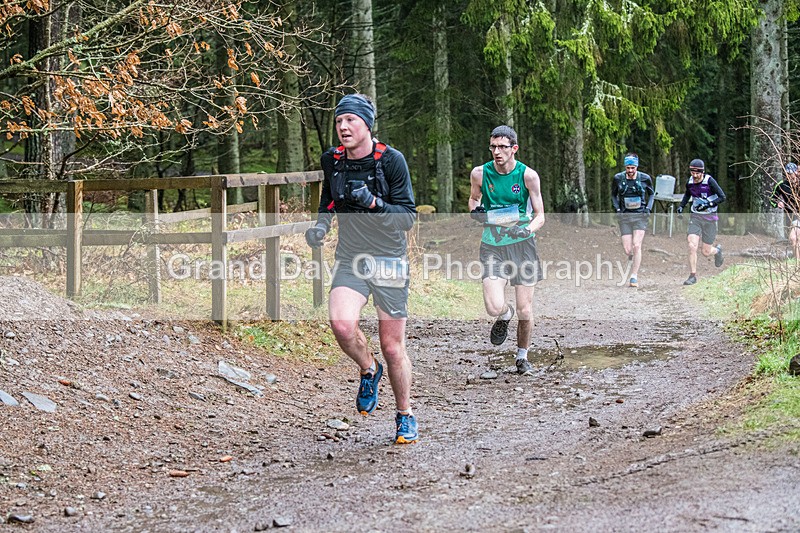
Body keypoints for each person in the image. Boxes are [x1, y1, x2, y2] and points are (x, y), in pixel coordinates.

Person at [304, 94, 418, 444]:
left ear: (367, 125)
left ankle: (405, 414)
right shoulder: (332, 160)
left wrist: (374, 202)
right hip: (351, 257)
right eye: (339, 121)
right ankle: (369, 369)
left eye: (350, 121)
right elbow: (329, 199)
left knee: (393, 346)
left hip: (388, 260)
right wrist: (321, 227)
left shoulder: (391, 161)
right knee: (340, 324)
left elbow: (408, 218)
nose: (343, 127)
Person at [468, 125, 546, 376]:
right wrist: (476, 211)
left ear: (514, 148)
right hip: (493, 244)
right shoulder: (480, 173)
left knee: (525, 308)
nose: (497, 152)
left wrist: (528, 230)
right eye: (493, 147)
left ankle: (522, 357)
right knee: (493, 306)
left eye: (502, 147)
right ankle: (504, 314)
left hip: (522, 245)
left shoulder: (528, 176)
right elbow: (473, 200)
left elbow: (540, 215)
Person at [676, 158, 725, 285]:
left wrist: (709, 204)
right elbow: (688, 194)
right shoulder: (690, 181)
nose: (695, 175)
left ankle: (718, 251)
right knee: (692, 245)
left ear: (702, 172)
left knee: (706, 252)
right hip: (696, 217)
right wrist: (682, 206)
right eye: (693, 172)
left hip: (710, 219)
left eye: (698, 173)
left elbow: (722, 197)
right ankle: (692, 276)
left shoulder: (709, 181)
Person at [610, 152, 655, 287]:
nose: (630, 171)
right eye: (628, 168)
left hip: (640, 216)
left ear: (637, 167)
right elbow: (613, 195)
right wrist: (617, 208)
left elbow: (652, 194)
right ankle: (633, 258)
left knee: (637, 245)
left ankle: (634, 276)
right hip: (624, 217)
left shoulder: (645, 178)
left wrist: (648, 208)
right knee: (628, 249)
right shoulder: (618, 178)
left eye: (632, 168)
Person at [771, 162, 800, 260]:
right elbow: (772, 198)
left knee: (795, 237)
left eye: (791, 174)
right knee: (793, 239)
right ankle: (797, 262)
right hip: (790, 216)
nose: (790, 176)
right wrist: (778, 203)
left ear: (796, 173)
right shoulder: (782, 185)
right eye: (788, 174)